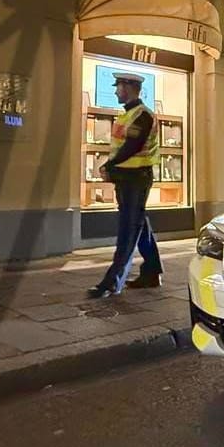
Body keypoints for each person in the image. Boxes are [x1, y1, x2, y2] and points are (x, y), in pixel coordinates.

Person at [87, 72, 163, 298]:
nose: (115, 91)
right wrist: (113, 167)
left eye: (118, 87)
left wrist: (109, 165)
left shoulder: (142, 115)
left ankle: (112, 281)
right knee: (139, 224)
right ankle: (151, 272)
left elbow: (132, 145)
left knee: (129, 228)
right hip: (127, 177)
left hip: (136, 178)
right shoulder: (128, 115)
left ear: (129, 88)